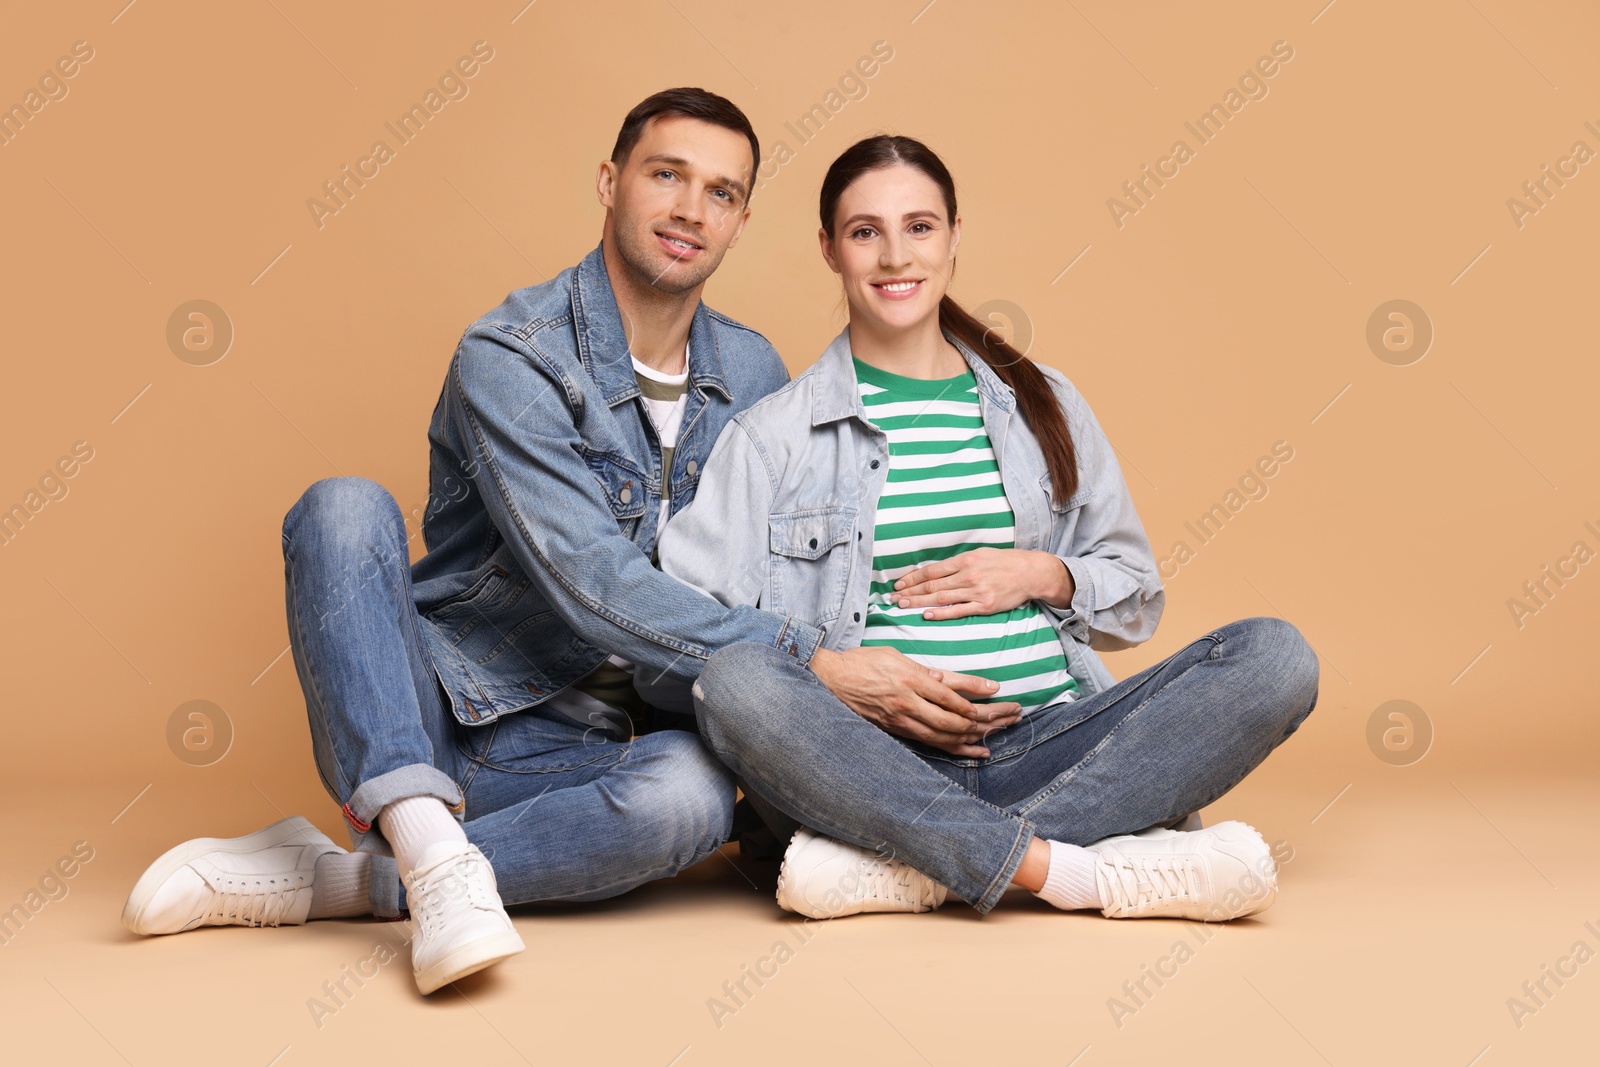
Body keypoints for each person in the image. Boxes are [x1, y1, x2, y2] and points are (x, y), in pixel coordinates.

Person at [120, 91, 991, 996]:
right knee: (340, 507)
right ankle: (418, 823)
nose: (692, 210)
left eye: (722, 193)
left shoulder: (755, 376)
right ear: (611, 184)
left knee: (694, 799)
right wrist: (808, 661)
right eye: (667, 175)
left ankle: (352, 874)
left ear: (741, 221)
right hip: (443, 712)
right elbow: (590, 584)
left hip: (601, 755)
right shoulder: (514, 354)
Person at [660, 134, 1321, 922]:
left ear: (955, 236)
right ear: (830, 250)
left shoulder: (1040, 403)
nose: (895, 255)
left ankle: (917, 865)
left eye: (920, 227)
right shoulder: (773, 440)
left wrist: (1045, 573)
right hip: (871, 764)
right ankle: (1063, 868)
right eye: (865, 231)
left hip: (1059, 738)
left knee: (1276, 656)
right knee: (732, 684)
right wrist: (841, 672)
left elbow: (1136, 596)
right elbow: (679, 641)